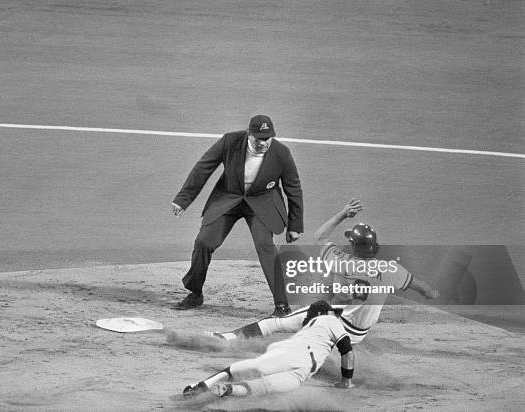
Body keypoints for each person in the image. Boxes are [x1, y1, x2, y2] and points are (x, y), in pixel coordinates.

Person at [209, 199, 439, 342]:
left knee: (276, 322)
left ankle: (227, 339)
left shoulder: (339, 259)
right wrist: (432, 294)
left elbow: (320, 236)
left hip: (336, 327)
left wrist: (342, 214)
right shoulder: (391, 269)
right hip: (360, 334)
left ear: (353, 245)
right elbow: (423, 288)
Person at [171, 115, 304, 317]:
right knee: (204, 242)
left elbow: (293, 188)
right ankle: (195, 292)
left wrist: (295, 225)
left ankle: (282, 305)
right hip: (228, 198)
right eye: (258, 138)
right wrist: (183, 199)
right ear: (249, 134)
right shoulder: (230, 141)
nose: (262, 143)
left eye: (266, 139)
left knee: (265, 246)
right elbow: (203, 167)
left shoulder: (281, 153)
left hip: (262, 203)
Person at [181, 300, 354, 398]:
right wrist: (346, 382)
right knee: (264, 386)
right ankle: (229, 389)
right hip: (299, 367)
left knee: (250, 371)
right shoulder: (329, 321)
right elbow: (347, 351)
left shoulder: (309, 324)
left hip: (287, 354)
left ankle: (207, 386)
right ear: (323, 315)